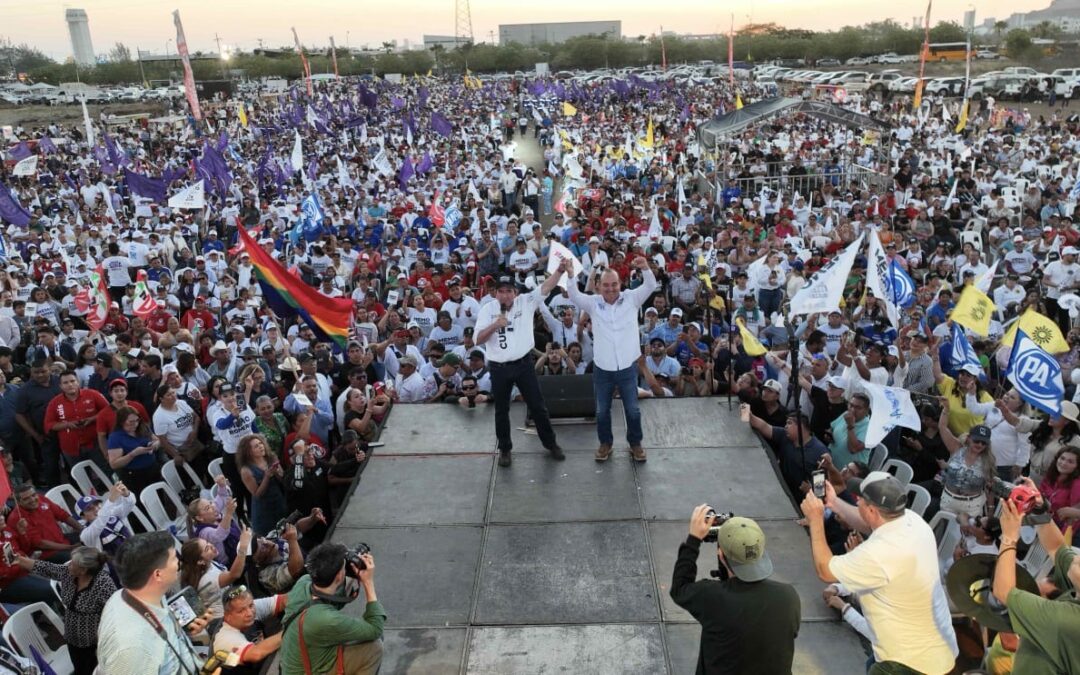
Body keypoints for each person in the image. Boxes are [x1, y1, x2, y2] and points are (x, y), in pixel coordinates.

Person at [800, 472, 958, 674]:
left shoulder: (879, 553)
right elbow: (869, 523)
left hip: (907, 663)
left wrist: (815, 520)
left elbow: (825, 570)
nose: (857, 503)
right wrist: (835, 503)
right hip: (931, 649)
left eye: (861, 501)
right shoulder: (912, 521)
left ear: (872, 509)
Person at [669, 505, 800, 674]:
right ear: (761, 551)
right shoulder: (789, 596)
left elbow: (680, 589)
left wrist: (694, 539)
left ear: (721, 555)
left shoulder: (712, 598)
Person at [553, 255, 657, 461]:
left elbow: (651, 285)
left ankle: (635, 444)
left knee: (633, 410)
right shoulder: (593, 303)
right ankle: (605, 444)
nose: (611, 288)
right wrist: (571, 275)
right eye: (606, 285)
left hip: (627, 367)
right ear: (599, 286)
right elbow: (573, 294)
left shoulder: (631, 298)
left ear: (621, 284)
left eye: (615, 284)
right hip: (603, 369)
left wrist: (645, 268)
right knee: (602, 412)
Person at [474, 274, 564, 467]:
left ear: (515, 292)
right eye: (501, 291)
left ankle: (551, 443)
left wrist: (560, 271)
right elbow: (478, 340)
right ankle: (505, 449)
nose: (505, 295)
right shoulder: (487, 310)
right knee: (501, 410)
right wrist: (494, 326)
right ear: (495, 293)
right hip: (499, 368)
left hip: (524, 365)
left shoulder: (526, 302)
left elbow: (546, 287)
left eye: (509, 291)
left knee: (537, 406)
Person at [991, 478, 1080, 672]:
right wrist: (1038, 509)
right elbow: (1057, 548)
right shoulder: (1076, 586)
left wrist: (1009, 537)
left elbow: (1004, 592)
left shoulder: (1070, 620)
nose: (1078, 558)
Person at [97, 531, 210, 675]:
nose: (179, 563)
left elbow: (158, 635)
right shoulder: (131, 647)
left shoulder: (138, 593)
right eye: (174, 558)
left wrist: (185, 630)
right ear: (158, 574)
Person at [279, 541, 385, 675]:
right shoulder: (325, 619)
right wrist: (368, 583)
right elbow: (375, 628)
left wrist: (353, 576)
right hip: (309, 670)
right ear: (340, 575)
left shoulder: (304, 582)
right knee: (374, 647)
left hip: (295, 663)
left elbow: (331, 598)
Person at [12, 546, 116, 675]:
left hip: (94, 644)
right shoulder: (69, 573)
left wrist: (103, 645)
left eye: (73, 563)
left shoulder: (103, 585)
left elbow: (113, 616)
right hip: (73, 640)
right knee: (80, 670)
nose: (69, 565)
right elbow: (47, 568)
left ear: (83, 570)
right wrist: (20, 560)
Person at [212, 585, 288, 673]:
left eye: (251, 605)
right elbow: (256, 654)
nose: (249, 613)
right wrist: (290, 631)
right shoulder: (224, 638)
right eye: (241, 611)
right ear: (228, 616)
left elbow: (284, 600)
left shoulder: (249, 607)